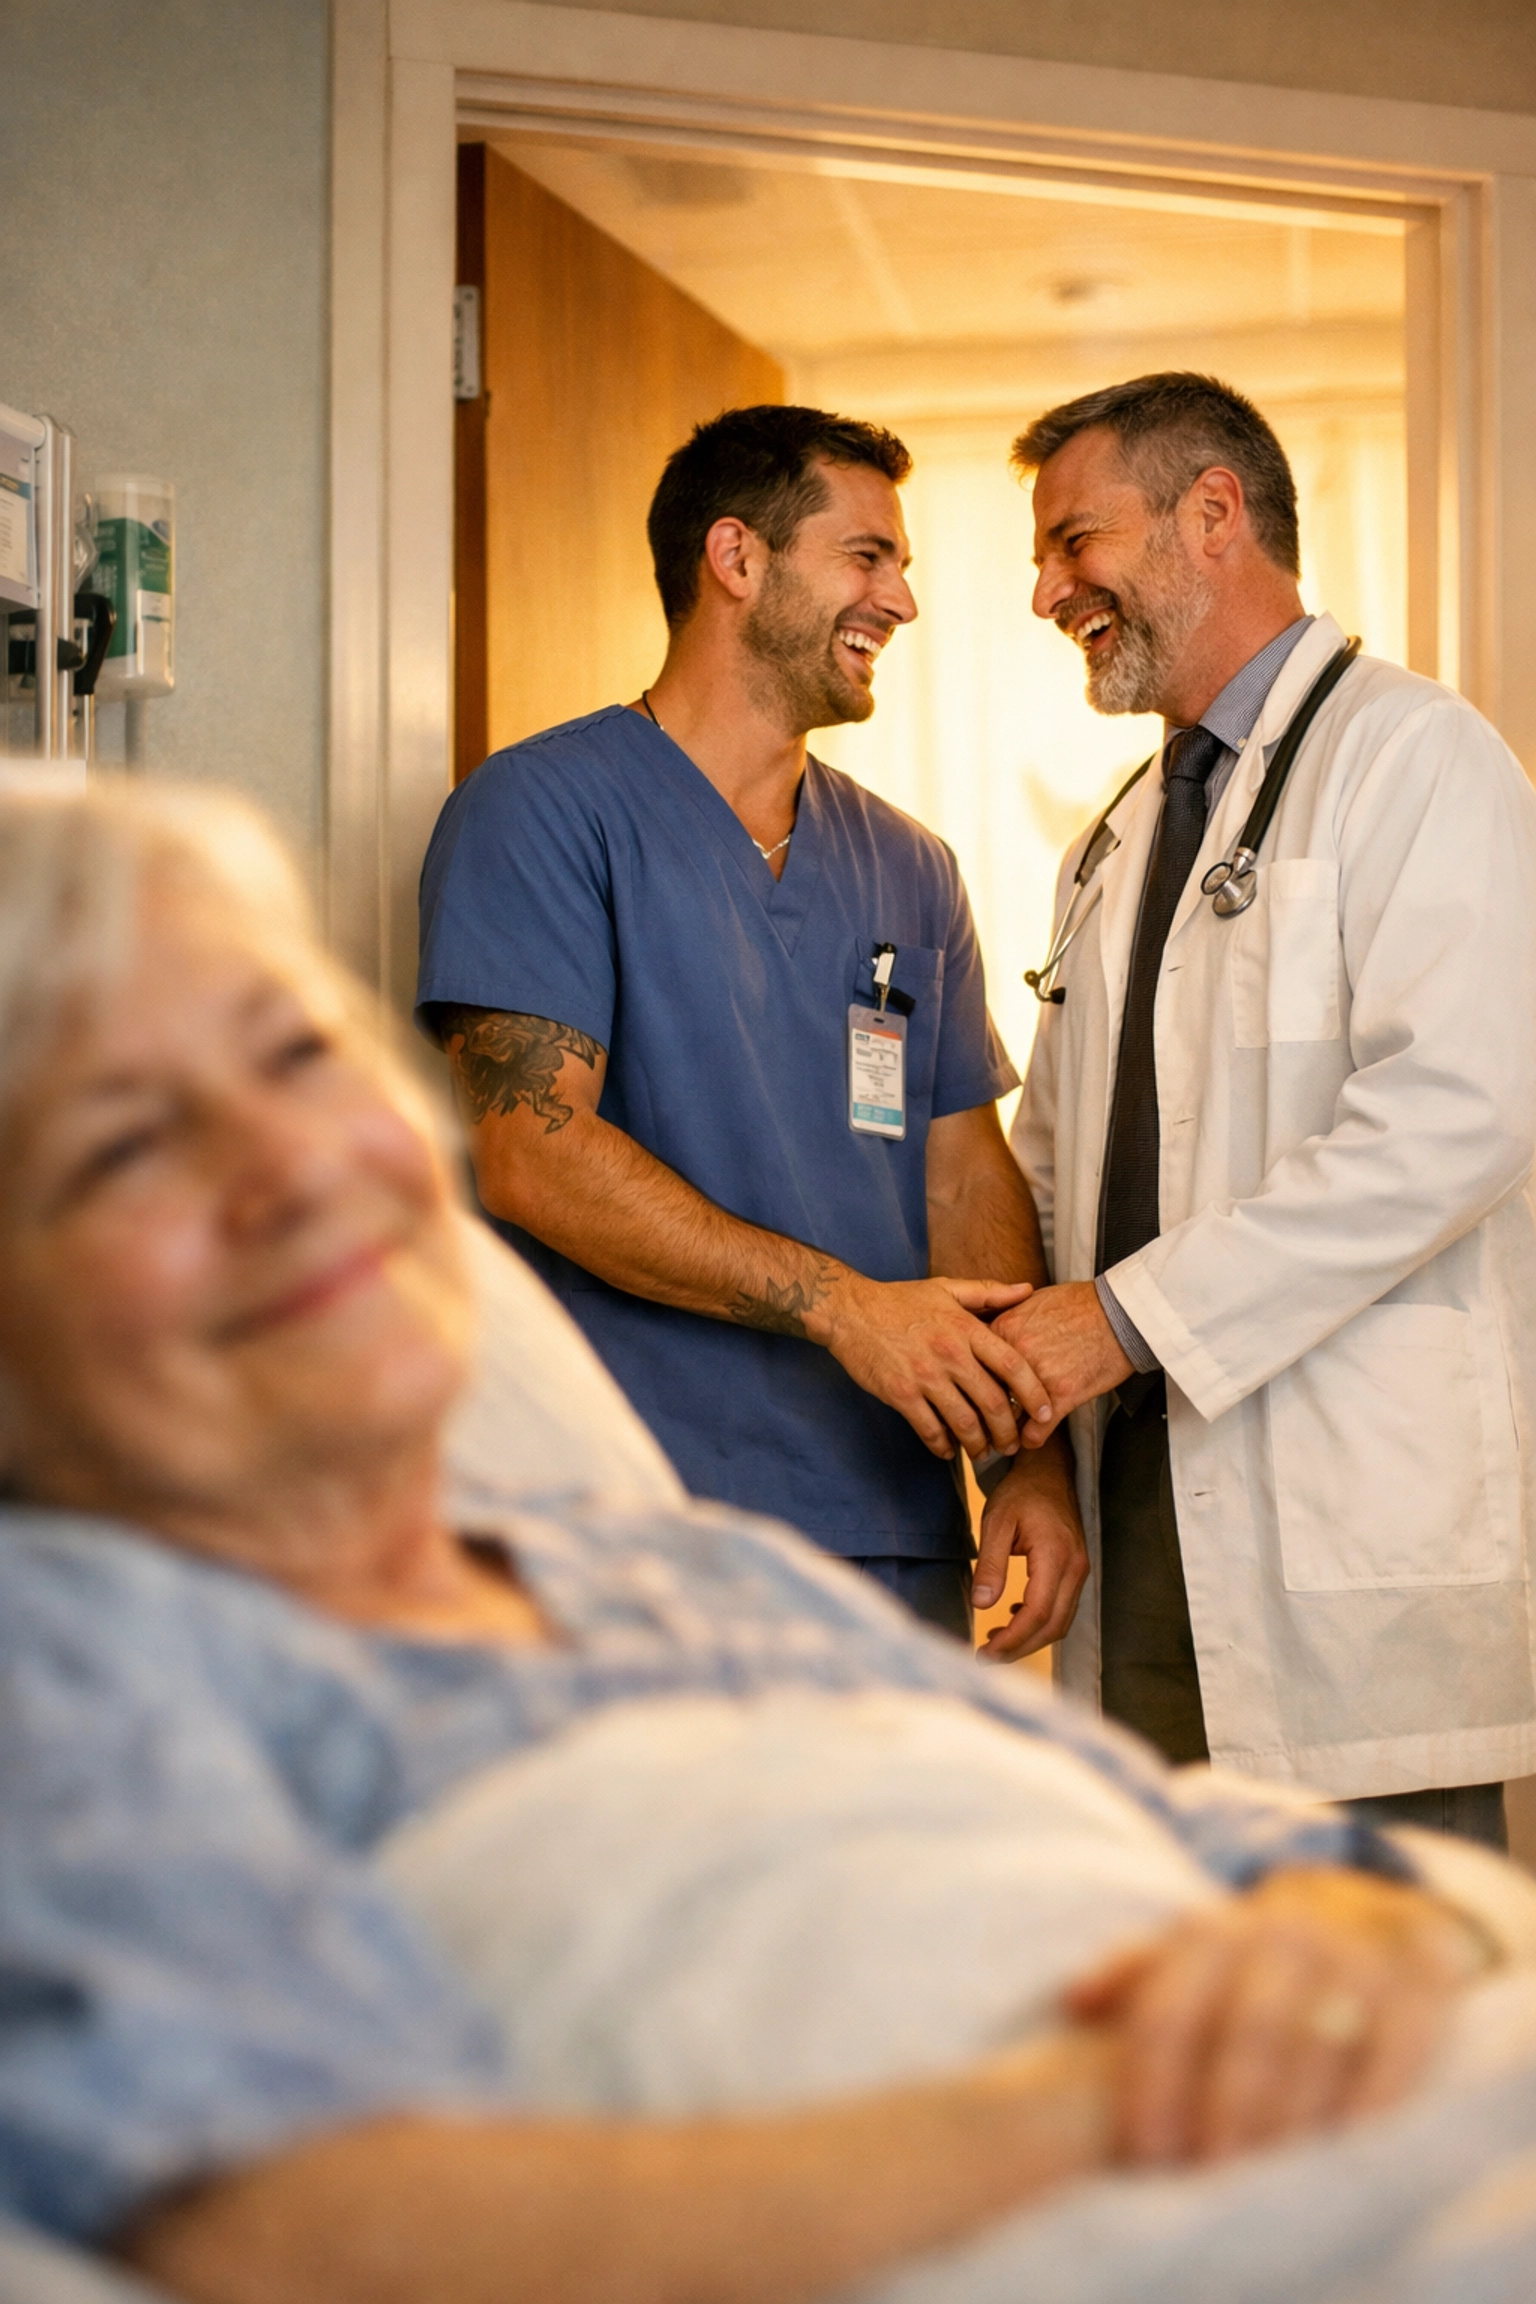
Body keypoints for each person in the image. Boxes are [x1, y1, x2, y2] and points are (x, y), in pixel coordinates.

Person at [0, 785, 1528, 2304]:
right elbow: (297, 2219)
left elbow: (1259, 1861)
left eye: (295, 1055)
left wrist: (1331, 1943)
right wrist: (1112, 2098)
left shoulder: (673, 1573)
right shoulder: (76, 1654)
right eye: (125, 1148)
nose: (294, 1169)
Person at [974, 371, 1536, 1850]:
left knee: (1392, 2026)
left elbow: (1462, 1115)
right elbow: (1049, 1169)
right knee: (1186, 2018)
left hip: (1344, 1533)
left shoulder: (1415, 760)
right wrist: (1025, 1443)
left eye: (1072, 541)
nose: (1046, 590)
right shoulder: (1118, 832)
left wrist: (1125, 1319)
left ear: (1212, 513)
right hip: (1138, 1518)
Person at [416, 403, 1085, 1643]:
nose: (901, 600)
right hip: (630, 1531)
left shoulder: (909, 868)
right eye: (867, 556)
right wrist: (845, 1308)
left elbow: (959, 1169)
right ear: (737, 560)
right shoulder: (543, 813)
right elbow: (531, 1152)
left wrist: (1025, 1457)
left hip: (891, 1532)